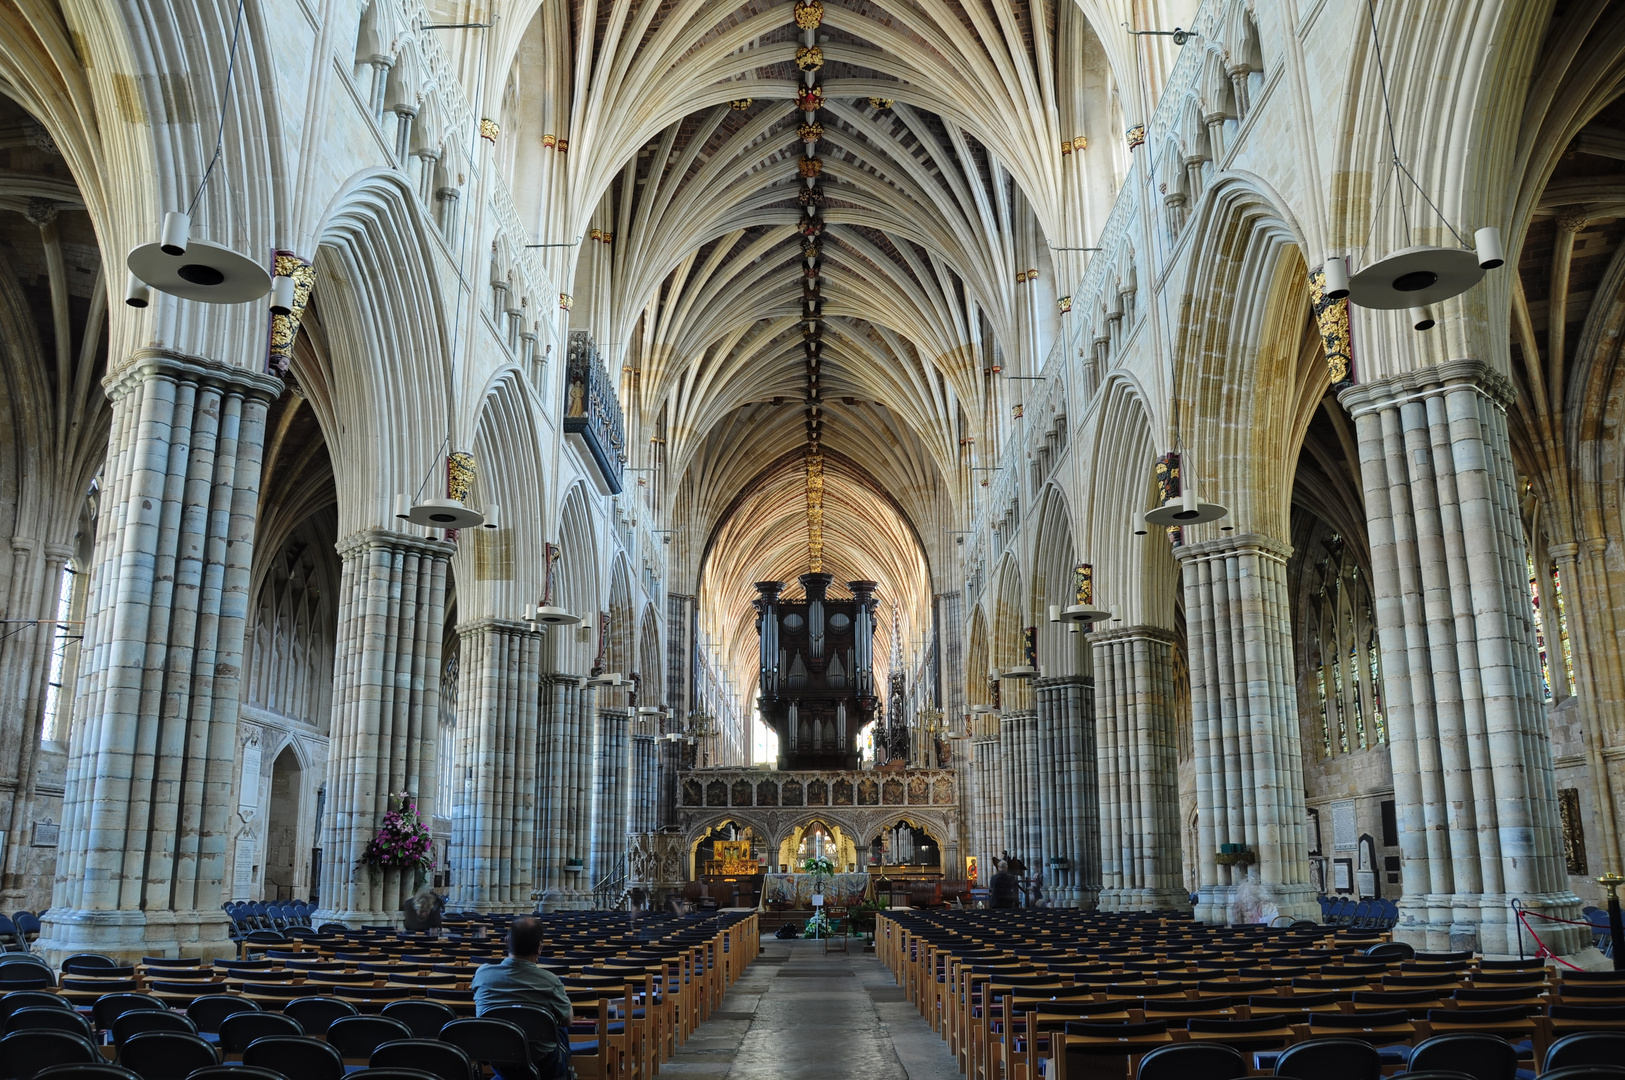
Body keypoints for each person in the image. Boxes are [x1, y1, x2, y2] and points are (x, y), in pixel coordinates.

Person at [472, 915, 573, 1079]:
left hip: (499, 1059)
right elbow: (568, 1020)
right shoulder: (550, 981)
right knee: (559, 1025)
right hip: (543, 1063)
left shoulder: (483, 974)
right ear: (540, 948)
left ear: (506, 942)